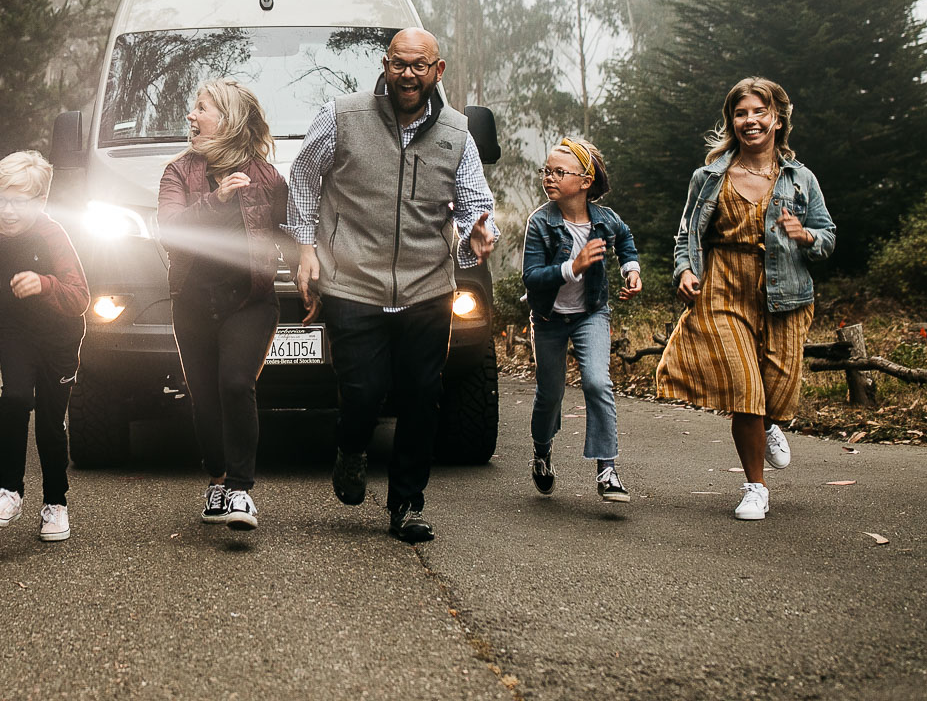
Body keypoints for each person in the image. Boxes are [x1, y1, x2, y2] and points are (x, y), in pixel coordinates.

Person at [286, 28, 497, 543]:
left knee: (423, 395)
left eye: (419, 66)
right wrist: (307, 246)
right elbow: (304, 175)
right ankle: (351, 448)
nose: (409, 74)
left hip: (427, 286)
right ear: (385, 65)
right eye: (400, 64)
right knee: (364, 390)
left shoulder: (457, 134)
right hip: (353, 281)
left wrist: (479, 233)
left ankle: (406, 504)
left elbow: (475, 205)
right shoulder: (343, 116)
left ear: (437, 71)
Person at [656, 77, 836, 521]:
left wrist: (807, 235)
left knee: (776, 391)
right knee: (745, 390)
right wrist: (684, 270)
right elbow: (686, 235)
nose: (750, 121)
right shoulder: (709, 177)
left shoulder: (800, 178)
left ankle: (771, 424)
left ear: (777, 119)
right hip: (723, 287)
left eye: (759, 112)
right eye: (741, 114)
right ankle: (756, 486)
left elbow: (828, 236)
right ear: (731, 121)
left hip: (786, 293)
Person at [157, 78, 290, 532]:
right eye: (194, 108)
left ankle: (239, 489)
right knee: (204, 399)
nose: (191, 116)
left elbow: (288, 233)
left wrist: (314, 272)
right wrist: (218, 200)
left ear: (228, 121)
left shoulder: (268, 178)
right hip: (193, 302)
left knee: (235, 384)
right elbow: (171, 229)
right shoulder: (178, 172)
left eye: (201, 108)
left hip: (249, 301)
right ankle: (215, 477)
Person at [0, 152, 89, 542]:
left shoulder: (53, 236)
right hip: (16, 328)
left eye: (19, 203)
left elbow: (81, 296)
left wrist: (44, 283)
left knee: (51, 424)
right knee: (16, 399)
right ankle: (10, 492)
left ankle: (55, 503)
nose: (7, 211)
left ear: (41, 203)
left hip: (59, 338)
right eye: (0, 199)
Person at [522, 138, 641, 504]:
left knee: (596, 382)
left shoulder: (605, 220)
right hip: (549, 319)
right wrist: (572, 266)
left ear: (585, 181)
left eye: (560, 172)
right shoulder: (541, 223)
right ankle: (542, 452)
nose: (550, 178)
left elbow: (625, 241)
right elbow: (531, 277)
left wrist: (631, 269)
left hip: (591, 313)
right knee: (550, 395)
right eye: (547, 171)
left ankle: (607, 469)